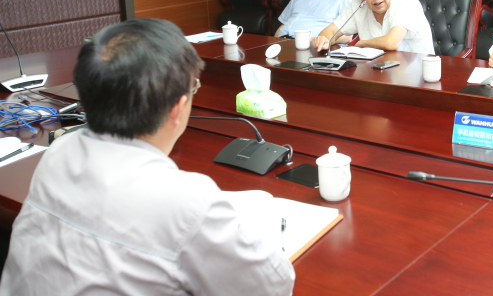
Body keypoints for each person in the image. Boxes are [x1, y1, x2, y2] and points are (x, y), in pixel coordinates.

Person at [0, 19, 294, 296]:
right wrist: (262, 228)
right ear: (177, 108)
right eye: (193, 87)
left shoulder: (60, 152)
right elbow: (272, 287)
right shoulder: (188, 203)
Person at [312, 0, 434, 54]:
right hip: (377, 69)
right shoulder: (358, 3)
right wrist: (323, 39)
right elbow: (330, 32)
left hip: (416, 70)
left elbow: (392, 43)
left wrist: (362, 44)